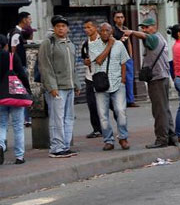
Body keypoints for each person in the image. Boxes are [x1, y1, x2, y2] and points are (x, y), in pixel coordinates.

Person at [128, 18, 175, 148]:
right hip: (162, 77)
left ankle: (162, 139)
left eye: (147, 27)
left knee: (159, 110)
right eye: (142, 27)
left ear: (154, 27)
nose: (144, 30)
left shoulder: (154, 38)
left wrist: (131, 32)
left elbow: (144, 36)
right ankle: (171, 136)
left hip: (157, 79)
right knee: (164, 109)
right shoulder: (160, 38)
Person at [39, 15, 80, 158]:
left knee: (69, 117)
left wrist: (76, 83)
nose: (61, 28)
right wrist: (52, 87)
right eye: (58, 26)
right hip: (57, 88)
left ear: (67, 28)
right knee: (57, 118)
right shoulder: (48, 43)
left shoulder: (70, 44)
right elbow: (45, 66)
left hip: (69, 87)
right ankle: (56, 148)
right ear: (54, 28)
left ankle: (66, 146)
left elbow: (73, 67)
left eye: (63, 26)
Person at [92, 23, 130, 151]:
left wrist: (123, 81)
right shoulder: (94, 45)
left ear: (111, 31)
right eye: (101, 30)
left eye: (107, 30)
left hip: (117, 83)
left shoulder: (119, 45)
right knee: (103, 115)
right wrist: (109, 45)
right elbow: (99, 60)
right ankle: (108, 140)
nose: (104, 33)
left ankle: (123, 138)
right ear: (98, 31)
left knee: (121, 111)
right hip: (101, 85)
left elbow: (124, 62)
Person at [0, 34, 30, 164]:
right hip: (15, 95)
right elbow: (23, 75)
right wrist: (28, 91)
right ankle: (19, 156)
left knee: (1, 124)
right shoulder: (12, 56)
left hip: (0, 97)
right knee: (18, 126)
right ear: (6, 44)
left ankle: (1, 146)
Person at [82, 19, 111, 139]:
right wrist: (86, 61)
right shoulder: (85, 44)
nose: (87, 30)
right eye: (85, 28)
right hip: (90, 77)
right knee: (92, 104)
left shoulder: (104, 41)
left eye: (89, 27)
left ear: (95, 28)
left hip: (103, 77)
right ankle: (97, 129)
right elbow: (83, 57)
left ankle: (119, 125)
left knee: (112, 105)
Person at [8, 12, 32, 126]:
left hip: (19, 67)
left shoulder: (18, 33)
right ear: (23, 20)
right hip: (19, 68)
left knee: (22, 92)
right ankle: (24, 118)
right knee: (22, 92)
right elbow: (12, 51)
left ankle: (25, 118)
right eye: (29, 19)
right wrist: (14, 68)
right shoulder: (16, 34)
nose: (30, 21)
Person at [112, 11, 138, 108]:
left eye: (122, 17)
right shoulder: (113, 30)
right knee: (119, 80)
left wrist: (130, 56)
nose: (120, 19)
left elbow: (129, 43)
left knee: (129, 79)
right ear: (114, 19)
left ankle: (130, 100)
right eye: (118, 17)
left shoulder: (125, 29)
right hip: (117, 59)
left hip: (127, 58)